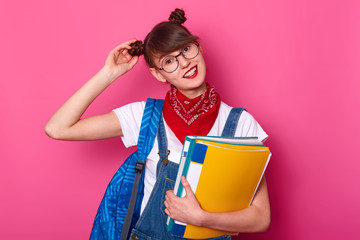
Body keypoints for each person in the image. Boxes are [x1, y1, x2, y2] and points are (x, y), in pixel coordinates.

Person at [45, 8, 270, 240]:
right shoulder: (145, 116)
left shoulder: (241, 124)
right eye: (169, 61)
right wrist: (109, 73)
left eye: (186, 49)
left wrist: (201, 218)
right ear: (158, 75)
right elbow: (58, 128)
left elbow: (261, 217)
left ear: (199, 48)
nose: (184, 63)